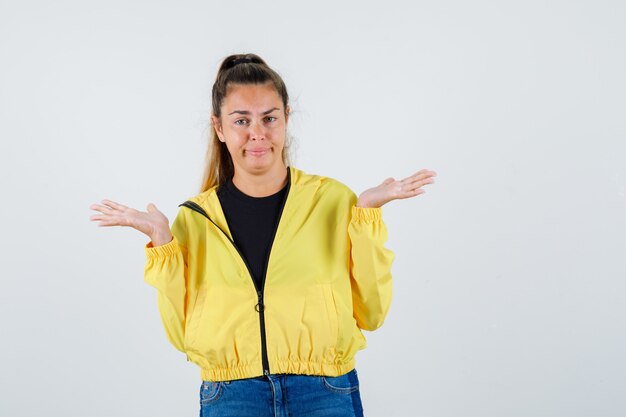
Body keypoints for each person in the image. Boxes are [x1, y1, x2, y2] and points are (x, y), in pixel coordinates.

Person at [89, 53, 436, 417]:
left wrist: (366, 214)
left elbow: (373, 313)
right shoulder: (195, 219)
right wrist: (163, 242)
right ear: (219, 127)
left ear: (286, 118)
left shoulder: (334, 200)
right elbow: (182, 336)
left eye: (269, 118)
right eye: (241, 120)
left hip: (324, 391)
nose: (257, 133)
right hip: (231, 396)